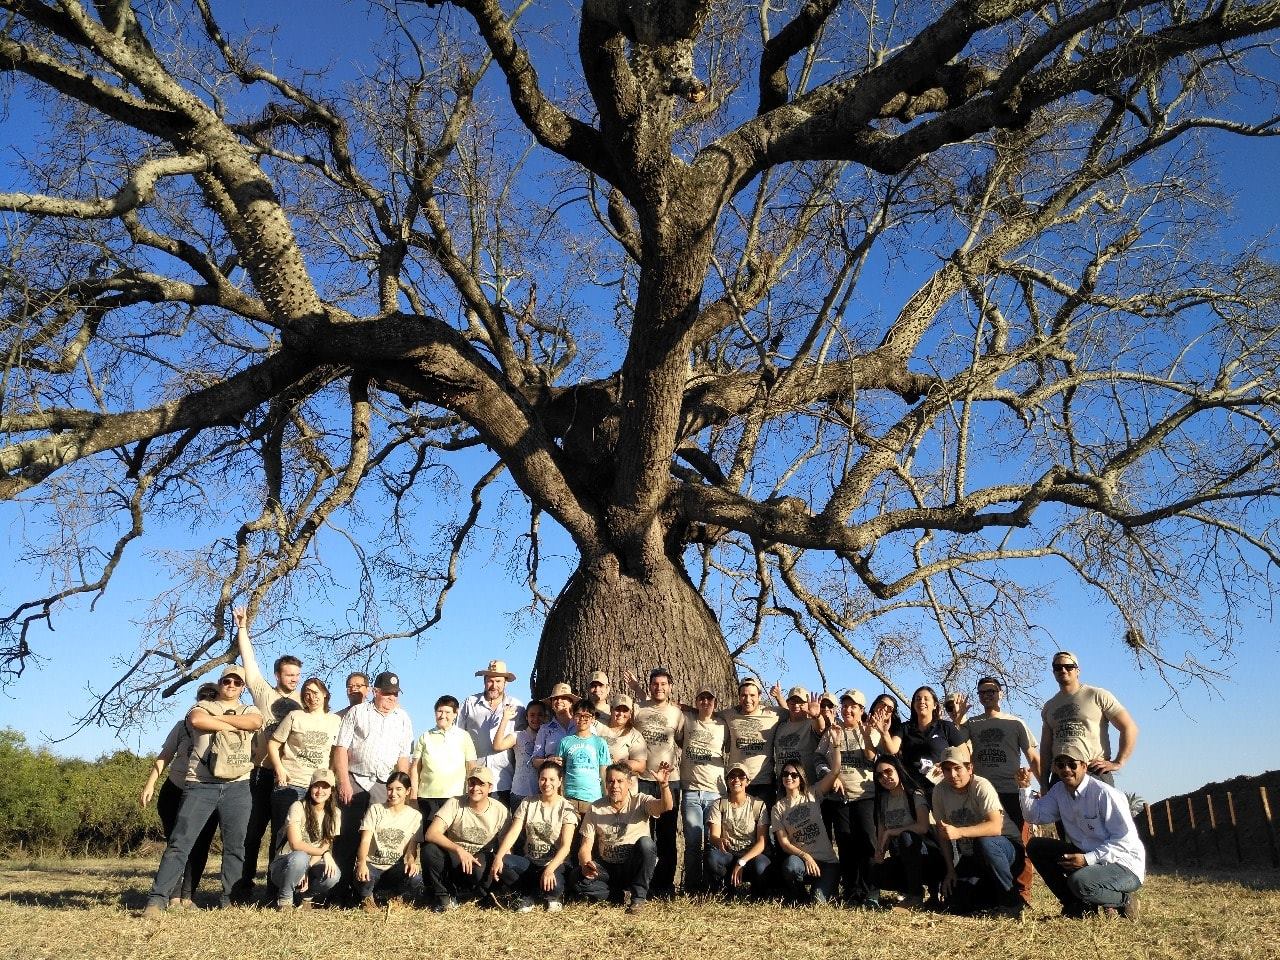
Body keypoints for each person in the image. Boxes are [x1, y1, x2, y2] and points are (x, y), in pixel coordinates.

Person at [142, 665, 264, 916]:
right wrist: (234, 725)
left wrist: (217, 723)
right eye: (227, 681)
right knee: (179, 843)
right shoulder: (201, 707)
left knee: (235, 845)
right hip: (200, 784)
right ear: (220, 683)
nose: (231, 685)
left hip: (238, 785)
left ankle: (231, 900)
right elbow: (197, 720)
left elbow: (255, 721)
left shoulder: (249, 708)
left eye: (237, 682)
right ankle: (156, 900)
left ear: (243, 687)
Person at [231, 606, 302, 903]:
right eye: (289, 674)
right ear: (277, 675)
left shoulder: (303, 700)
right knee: (252, 832)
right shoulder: (263, 693)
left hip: (289, 777)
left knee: (282, 836)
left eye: (298, 675)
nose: (294, 679)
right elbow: (249, 662)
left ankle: (275, 890)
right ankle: (242, 887)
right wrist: (243, 628)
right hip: (261, 773)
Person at [1018, 750, 1145, 918]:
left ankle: (1124, 900)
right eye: (1061, 765)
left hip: (1123, 864)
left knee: (1080, 882)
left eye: (1072, 764)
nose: (1066, 769)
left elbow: (1124, 841)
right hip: (1087, 856)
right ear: (1055, 768)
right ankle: (1076, 907)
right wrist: (1025, 788)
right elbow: (1036, 816)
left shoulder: (1104, 794)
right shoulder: (1058, 791)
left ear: (1084, 766)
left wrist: (1087, 859)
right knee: (1037, 846)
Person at [953, 676, 1041, 904]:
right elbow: (956, 746)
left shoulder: (1016, 723)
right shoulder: (972, 723)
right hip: (983, 793)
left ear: (1001, 693)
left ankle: (1023, 895)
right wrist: (959, 718)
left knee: (1020, 842)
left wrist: (1045, 786)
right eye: (982, 692)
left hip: (1011, 791)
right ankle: (995, 892)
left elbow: (1032, 756)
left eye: (991, 691)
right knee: (986, 842)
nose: (987, 695)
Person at [331, 670, 413, 903]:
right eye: (387, 693)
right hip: (356, 780)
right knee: (348, 837)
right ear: (375, 691)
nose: (391, 698)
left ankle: (371, 891)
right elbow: (341, 748)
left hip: (384, 784)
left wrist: (402, 787)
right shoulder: (357, 712)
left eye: (395, 694)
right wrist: (344, 781)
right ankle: (340, 891)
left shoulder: (403, 718)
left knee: (379, 839)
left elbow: (403, 756)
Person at [139, 682, 220, 909]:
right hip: (176, 789)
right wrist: (150, 784)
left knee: (201, 843)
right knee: (177, 843)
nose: (206, 701)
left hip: (207, 790)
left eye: (212, 697)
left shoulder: (224, 727)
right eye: (202, 697)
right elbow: (164, 755)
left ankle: (187, 895)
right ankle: (172, 895)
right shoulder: (182, 726)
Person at [932, 746, 1024, 916]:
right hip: (972, 856)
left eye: (957, 768)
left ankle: (1011, 902)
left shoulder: (981, 785)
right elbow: (942, 833)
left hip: (1005, 850)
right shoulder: (939, 791)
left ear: (969, 768)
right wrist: (950, 870)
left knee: (985, 842)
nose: (952, 775)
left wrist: (959, 832)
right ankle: (995, 898)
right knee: (956, 902)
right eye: (947, 769)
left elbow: (995, 827)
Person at [574, 761, 674, 914]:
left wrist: (664, 786)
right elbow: (585, 847)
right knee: (576, 877)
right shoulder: (595, 808)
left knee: (646, 844)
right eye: (611, 781)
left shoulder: (640, 801)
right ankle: (614, 896)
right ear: (606, 784)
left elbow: (665, 806)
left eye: (620, 781)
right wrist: (586, 864)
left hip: (631, 867)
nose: (615, 786)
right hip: (607, 868)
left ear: (629, 783)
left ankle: (638, 899)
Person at [267, 676, 341, 874]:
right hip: (292, 784)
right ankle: (276, 887)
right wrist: (279, 768)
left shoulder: (335, 721)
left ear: (325, 694)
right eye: (306, 692)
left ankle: (305, 891)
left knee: (316, 836)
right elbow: (273, 744)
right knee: (282, 837)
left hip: (319, 788)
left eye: (315, 692)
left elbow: (336, 753)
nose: (311, 696)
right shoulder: (295, 716)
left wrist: (332, 777)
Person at [626, 666, 686, 898]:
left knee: (667, 835)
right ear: (649, 686)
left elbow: (682, 741)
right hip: (641, 780)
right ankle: (643, 883)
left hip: (670, 782)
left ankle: (664, 885)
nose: (659, 688)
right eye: (655, 684)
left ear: (670, 687)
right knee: (642, 835)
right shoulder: (637, 708)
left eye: (663, 684)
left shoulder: (677, 714)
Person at [1040, 651, 1139, 788]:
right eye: (1057, 667)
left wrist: (1118, 762)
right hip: (1060, 775)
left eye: (1068, 666)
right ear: (1053, 672)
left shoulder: (1097, 695)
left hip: (1093, 771)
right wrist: (1044, 783)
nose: (1063, 670)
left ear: (1077, 670)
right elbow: (1045, 748)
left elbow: (1129, 727)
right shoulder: (1049, 706)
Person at [491, 761, 577, 911]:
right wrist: (499, 856)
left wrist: (550, 869)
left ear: (559, 781)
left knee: (555, 885)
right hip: (530, 861)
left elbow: (566, 847)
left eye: (551, 779)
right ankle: (527, 895)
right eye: (543, 779)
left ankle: (553, 897)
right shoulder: (528, 803)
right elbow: (513, 832)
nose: (546, 783)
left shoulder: (567, 808)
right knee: (503, 863)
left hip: (554, 864)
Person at [823, 689, 881, 907]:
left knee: (868, 844)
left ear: (861, 710)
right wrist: (830, 777)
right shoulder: (833, 732)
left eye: (853, 706)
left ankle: (871, 891)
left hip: (865, 796)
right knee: (846, 845)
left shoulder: (870, 732)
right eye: (845, 705)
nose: (848, 710)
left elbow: (877, 763)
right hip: (840, 799)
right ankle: (850, 892)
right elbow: (820, 758)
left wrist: (868, 738)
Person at [422, 766, 510, 911]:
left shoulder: (500, 810)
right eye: (472, 783)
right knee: (429, 850)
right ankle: (445, 896)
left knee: (482, 868)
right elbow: (431, 833)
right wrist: (459, 850)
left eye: (481, 784)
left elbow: (506, 846)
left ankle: (479, 894)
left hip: (479, 860)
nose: (475, 788)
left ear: (490, 787)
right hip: (456, 858)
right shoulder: (454, 803)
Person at [871, 754, 942, 908]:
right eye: (879, 775)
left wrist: (891, 832)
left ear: (898, 770)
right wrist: (880, 851)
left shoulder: (915, 794)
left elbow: (922, 827)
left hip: (927, 855)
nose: (884, 777)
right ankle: (912, 890)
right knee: (876, 873)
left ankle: (918, 895)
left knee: (907, 837)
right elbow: (882, 830)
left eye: (888, 772)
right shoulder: (883, 799)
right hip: (903, 856)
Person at [267, 767, 341, 909]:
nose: (320, 791)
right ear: (310, 787)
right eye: (316, 786)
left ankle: (307, 897)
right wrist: (323, 853)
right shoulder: (298, 807)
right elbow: (295, 844)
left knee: (334, 874)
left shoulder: (335, 813)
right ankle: (285, 899)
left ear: (331, 790)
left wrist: (307, 868)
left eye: (325, 787)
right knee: (300, 857)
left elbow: (326, 844)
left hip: (310, 862)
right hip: (286, 863)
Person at [459, 659, 527, 807]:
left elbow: (523, 740)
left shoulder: (517, 706)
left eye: (498, 681)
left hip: (504, 779)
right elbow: (459, 738)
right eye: (490, 681)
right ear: (484, 681)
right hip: (475, 778)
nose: (494, 685)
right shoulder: (469, 703)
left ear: (505, 683)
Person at [772, 761, 841, 905]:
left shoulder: (812, 793)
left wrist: (836, 745)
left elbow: (834, 772)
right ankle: (800, 894)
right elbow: (784, 843)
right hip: (803, 862)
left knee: (818, 902)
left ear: (801, 777)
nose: (789, 777)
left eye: (793, 774)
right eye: (785, 774)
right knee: (791, 866)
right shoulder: (778, 808)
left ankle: (825, 888)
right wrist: (805, 856)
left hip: (827, 863)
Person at [354, 770, 423, 911]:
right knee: (364, 878)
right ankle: (366, 898)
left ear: (408, 791)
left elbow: (411, 848)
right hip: (372, 865)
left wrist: (411, 862)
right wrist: (361, 862)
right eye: (390, 789)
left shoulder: (415, 816)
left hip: (394, 867)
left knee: (415, 877)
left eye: (399, 789)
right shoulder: (376, 810)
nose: (393, 794)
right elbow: (365, 840)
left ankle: (394, 895)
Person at [680, 686, 726, 894]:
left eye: (710, 699)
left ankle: (712, 886)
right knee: (692, 842)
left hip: (715, 792)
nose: (705, 702)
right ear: (696, 701)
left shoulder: (723, 724)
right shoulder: (686, 719)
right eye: (701, 699)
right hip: (690, 791)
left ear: (715, 702)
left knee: (712, 841)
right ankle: (691, 886)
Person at [409, 694, 477, 822]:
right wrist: (413, 797)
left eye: (447, 712)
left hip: (456, 798)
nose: (443, 715)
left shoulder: (464, 736)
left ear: (455, 714)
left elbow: (471, 767)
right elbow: (415, 768)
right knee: (428, 839)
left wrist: (471, 794)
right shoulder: (425, 736)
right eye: (439, 711)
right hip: (427, 798)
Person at [705, 764, 770, 897]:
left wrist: (742, 861)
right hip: (728, 855)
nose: (736, 780)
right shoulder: (719, 804)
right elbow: (713, 836)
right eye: (732, 776)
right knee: (712, 858)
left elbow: (762, 842)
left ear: (747, 781)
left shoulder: (758, 805)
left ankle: (757, 894)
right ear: (727, 780)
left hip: (750, 856)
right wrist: (719, 840)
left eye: (741, 776)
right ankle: (723, 891)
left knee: (762, 865)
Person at [720, 677, 785, 805]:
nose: (748, 700)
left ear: (759, 696)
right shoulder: (729, 715)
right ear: (739, 697)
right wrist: (687, 709)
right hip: (737, 783)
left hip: (763, 784)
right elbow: (708, 715)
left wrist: (779, 697)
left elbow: (793, 715)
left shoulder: (772, 714)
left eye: (752, 695)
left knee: (762, 824)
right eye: (744, 695)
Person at [899, 685, 969, 794]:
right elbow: (892, 749)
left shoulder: (946, 727)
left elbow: (965, 756)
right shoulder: (904, 728)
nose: (922, 701)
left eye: (926, 699)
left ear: (935, 705)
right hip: (915, 790)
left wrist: (945, 767)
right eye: (918, 699)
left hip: (945, 788)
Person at [556, 699, 612, 810]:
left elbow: (604, 773)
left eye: (586, 716)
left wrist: (607, 798)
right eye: (578, 715)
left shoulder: (600, 743)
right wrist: (560, 795)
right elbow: (559, 771)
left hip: (593, 799)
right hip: (569, 797)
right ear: (573, 716)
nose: (582, 719)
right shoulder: (565, 741)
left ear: (593, 718)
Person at [771, 684, 826, 782]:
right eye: (793, 702)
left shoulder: (811, 723)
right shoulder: (780, 726)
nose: (796, 705)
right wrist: (778, 697)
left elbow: (821, 728)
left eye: (801, 702)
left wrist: (817, 716)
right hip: (783, 786)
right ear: (788, 703)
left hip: (806, 786)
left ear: (808, 704)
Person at [493, 698, 544, 803]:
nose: (536, 718)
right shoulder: (518, 736)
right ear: (526, 717)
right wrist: (505, 719)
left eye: (540, 715)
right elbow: (497, 746)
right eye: (532, 715)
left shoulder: (548, 736)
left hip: (541, 794)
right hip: (519, 793)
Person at [599, 693, 647, 780]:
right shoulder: (597, 725)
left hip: (621, 786)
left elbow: (641, 765)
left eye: (625, 710)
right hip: (596, 783)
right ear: (611, 709)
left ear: (630, 713)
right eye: (617, 709)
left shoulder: (634, 735)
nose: (621, 713)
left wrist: (619, 763)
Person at [532, 682, 579, 769]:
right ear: (552, 704)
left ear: (571, 702)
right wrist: (548, 761)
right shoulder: (544, 729)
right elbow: (535, 761)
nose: (559, 701)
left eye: (563, 698)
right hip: (553, 778)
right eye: (555, 698)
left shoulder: (581, 725)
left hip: (577, 778)